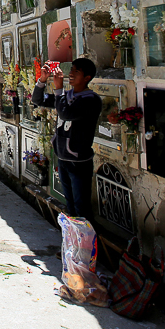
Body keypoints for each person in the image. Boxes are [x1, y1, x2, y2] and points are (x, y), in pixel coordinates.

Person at [31, 58, 100, 221]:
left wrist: (59, 89)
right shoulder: (67, 96)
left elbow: (66, 114)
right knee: (70, 205)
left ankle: (87, 243)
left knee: (81, 206)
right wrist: (42, 79)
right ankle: (74, 241)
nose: (71, 73)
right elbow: (37, 100)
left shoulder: (90, 100)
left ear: (87, 77)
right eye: (72, 69)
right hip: (62, 158)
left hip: (78, 160)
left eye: (77, 71)